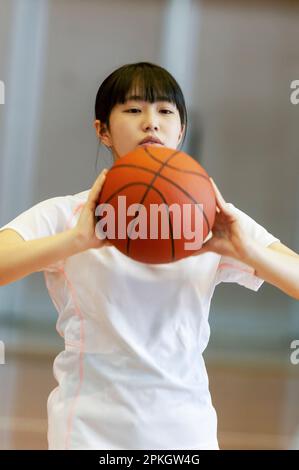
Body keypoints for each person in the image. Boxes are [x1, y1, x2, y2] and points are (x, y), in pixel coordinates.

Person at [0, 62, 298, 450]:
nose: (151, 123)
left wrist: (246, 250)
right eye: (134, 109)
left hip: (185, 432)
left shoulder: (214, 219)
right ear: (102, 130)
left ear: (181, 131)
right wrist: (73, 242)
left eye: (165, 111)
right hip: (89, 433)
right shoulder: (67, 216)